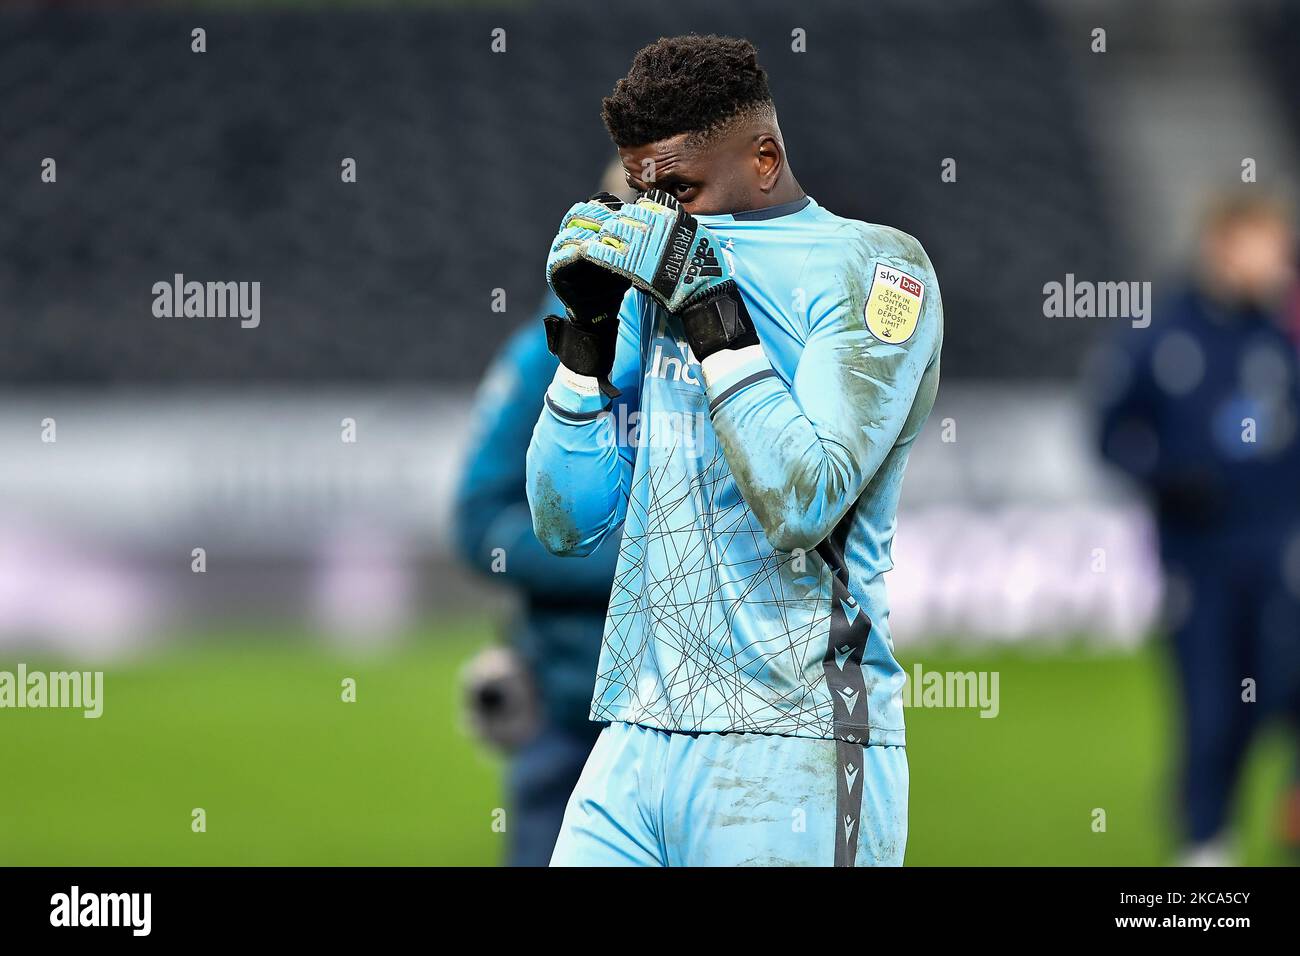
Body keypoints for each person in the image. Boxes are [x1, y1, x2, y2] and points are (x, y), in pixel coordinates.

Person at [526, 35, 943, 866]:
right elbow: (563, 523)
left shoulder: (876, 269)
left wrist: (709, 304)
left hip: (795, 737)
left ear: (763, 157)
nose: (658, 216)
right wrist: (586, 341)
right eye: (645, 191)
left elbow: (803, 499)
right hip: (635, 730)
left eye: (679, 189)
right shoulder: (659, 272)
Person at [1097, 193, 1300, 864]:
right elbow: (1108, 433)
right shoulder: (1161, 334)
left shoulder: (1279, 335)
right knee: (1212, 707)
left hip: (1276, 559)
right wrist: (1164, 475)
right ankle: (1205, 845)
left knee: (1278, 689)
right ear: (1223, 243)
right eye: (1266, 245)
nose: (1279, 261)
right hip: (1197, 563)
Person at [452, 165, 632, 864]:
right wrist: (639, 560)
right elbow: (478, 523)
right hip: (570, 711)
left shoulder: (725, 349)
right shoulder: (543, 355)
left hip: (717, 724)